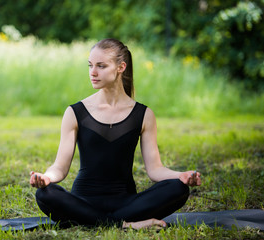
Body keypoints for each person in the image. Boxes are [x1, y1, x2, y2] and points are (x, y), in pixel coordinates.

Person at [29, 38, 201, 229]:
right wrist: (46, 177)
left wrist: (182, 175)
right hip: (83, 203)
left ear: (121, 67)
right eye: (90, 65)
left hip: (127, 203)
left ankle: (104, 222)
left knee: (178, 188)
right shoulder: (75, 112)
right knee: (45, 193)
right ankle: (126, 225)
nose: (93, 72)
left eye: (101, 66)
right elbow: (60, 168)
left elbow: (155, 170)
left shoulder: (143, 115)